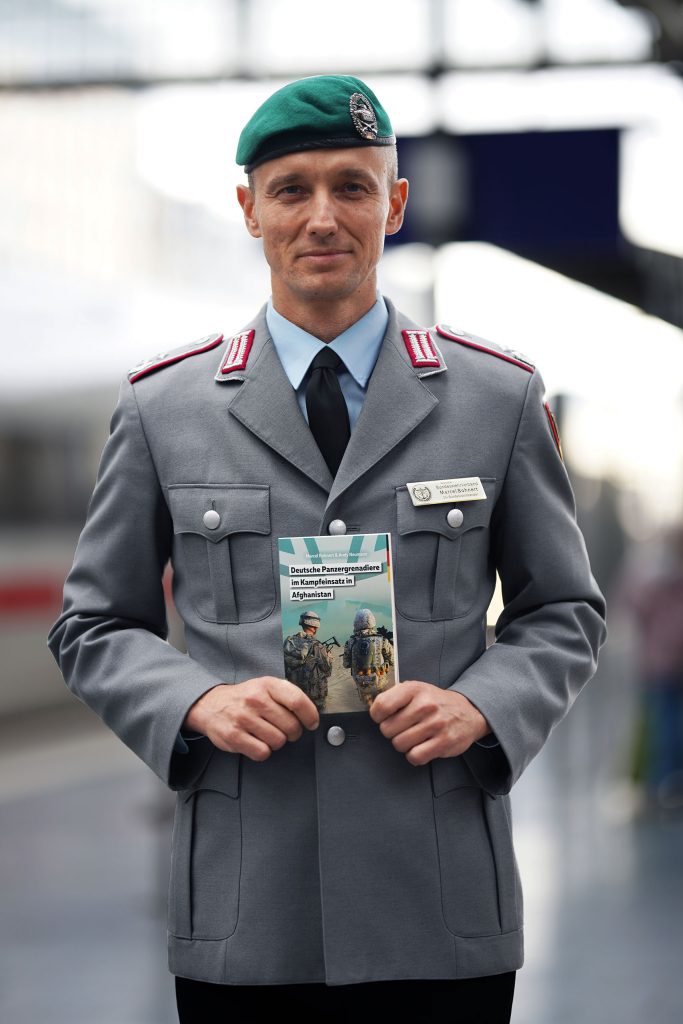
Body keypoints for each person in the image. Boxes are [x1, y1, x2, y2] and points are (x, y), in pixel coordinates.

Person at [48, 74, 606, 1024]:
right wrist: (196, 700)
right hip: (247, 907)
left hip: (437, 898)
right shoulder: (163, 410)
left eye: (351, 186)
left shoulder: (494, 399)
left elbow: (564, 611)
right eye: (291, 189)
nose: (321, 216)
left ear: (393, 203)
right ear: (249, 210)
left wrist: (482, 706)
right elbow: (94, 624)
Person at [343, 607, 394, 709]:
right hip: (380, 682)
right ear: (372, 621)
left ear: (356, 623)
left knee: (367, 707)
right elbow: (392, 660)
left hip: (361, 684)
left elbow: (346, 664)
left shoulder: (350, 642)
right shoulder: (382, 640)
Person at [283, 609, 333, 712]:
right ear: (315, 627)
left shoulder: (288, 642)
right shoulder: (317, 645)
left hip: (294, 694)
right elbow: (327, 670)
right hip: (314, 696)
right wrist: (329, 658)